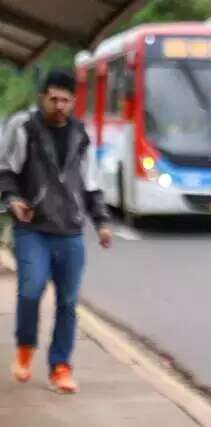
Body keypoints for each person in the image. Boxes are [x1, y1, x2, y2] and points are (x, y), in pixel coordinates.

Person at [0, 70, 112, 394]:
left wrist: (102, 222)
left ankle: (61, 366)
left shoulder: (81, 136)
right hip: (32, 228)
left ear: (74, 101)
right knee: (30, 291)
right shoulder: (25, 128)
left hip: (71, 232)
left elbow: (92, 184)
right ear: (42, 97)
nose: (59, 105)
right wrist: (13, 200)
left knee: (68, 302)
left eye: (66, 100)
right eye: (54, 99)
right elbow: (6, 170)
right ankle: (25, 347)